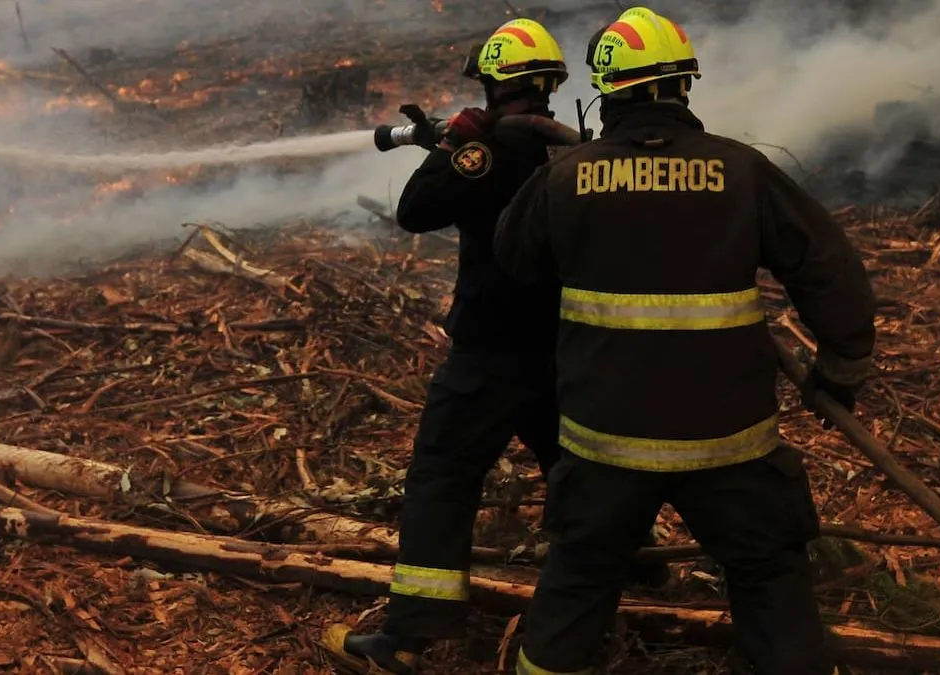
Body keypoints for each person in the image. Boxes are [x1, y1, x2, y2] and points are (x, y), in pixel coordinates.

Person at [492, 7, 876, 675]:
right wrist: (841, 370)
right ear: (683, 88)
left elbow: (514, 261)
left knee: (578, 583)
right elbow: (830, 269)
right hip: (729, 441)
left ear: (608, 92)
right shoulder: (743, 171)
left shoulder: (562, 179)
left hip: (604, 444)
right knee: (770, 585)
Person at [322, 18, 577, 675]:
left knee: (442, 476)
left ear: (493, 83)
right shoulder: (576, 153)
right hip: (566, 349)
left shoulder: (485, 152)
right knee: (577, 471)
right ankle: (628, 569)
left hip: (490, 356)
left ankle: (409, 635)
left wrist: (456, 145)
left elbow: (415, 210)